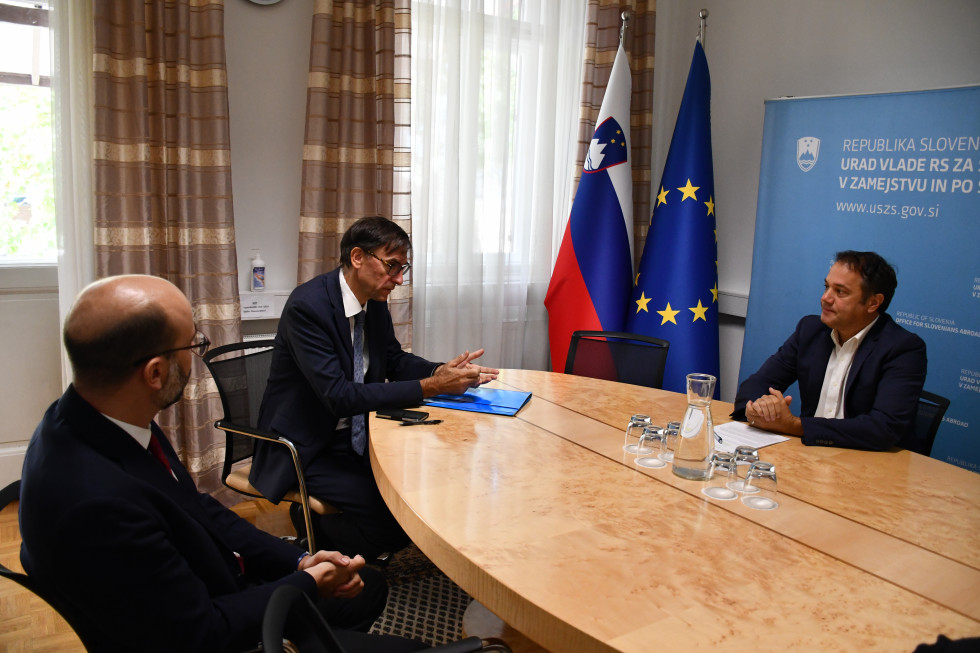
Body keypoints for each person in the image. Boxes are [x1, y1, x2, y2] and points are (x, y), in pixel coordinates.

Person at [19, 275, 427, 653]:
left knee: (368, 586)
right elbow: (202, 633)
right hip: (212, 625)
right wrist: (305, 583)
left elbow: (197, 507)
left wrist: (299, 560)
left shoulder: (97, 416)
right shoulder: (97, 503)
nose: (197, 354)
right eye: (193, 345)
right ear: (155, 373)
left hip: (210, 583)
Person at [251, 217, 499, 559]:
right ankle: (314, 534)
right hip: (305, 446)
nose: (398, 279)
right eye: (392, 266)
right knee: (394, 523)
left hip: (356, 436)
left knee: (417, 496)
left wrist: (440, 371)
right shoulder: (307, 307)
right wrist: (431, 386)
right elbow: (339, 396)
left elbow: (394, 359)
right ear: (357, 257)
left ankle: (326, 526)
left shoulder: (374, 299)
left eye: (403, 268)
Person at [732, 250, 927, 451]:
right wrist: (759, 409)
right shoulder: (810, 331)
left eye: (840, 291)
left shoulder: (903, 348)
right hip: (809, 455)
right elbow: (757, 383)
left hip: (870, 464)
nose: (825, 298)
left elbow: (883, 428)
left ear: (873, 302)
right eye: (826, 287)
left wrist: (794, 426)